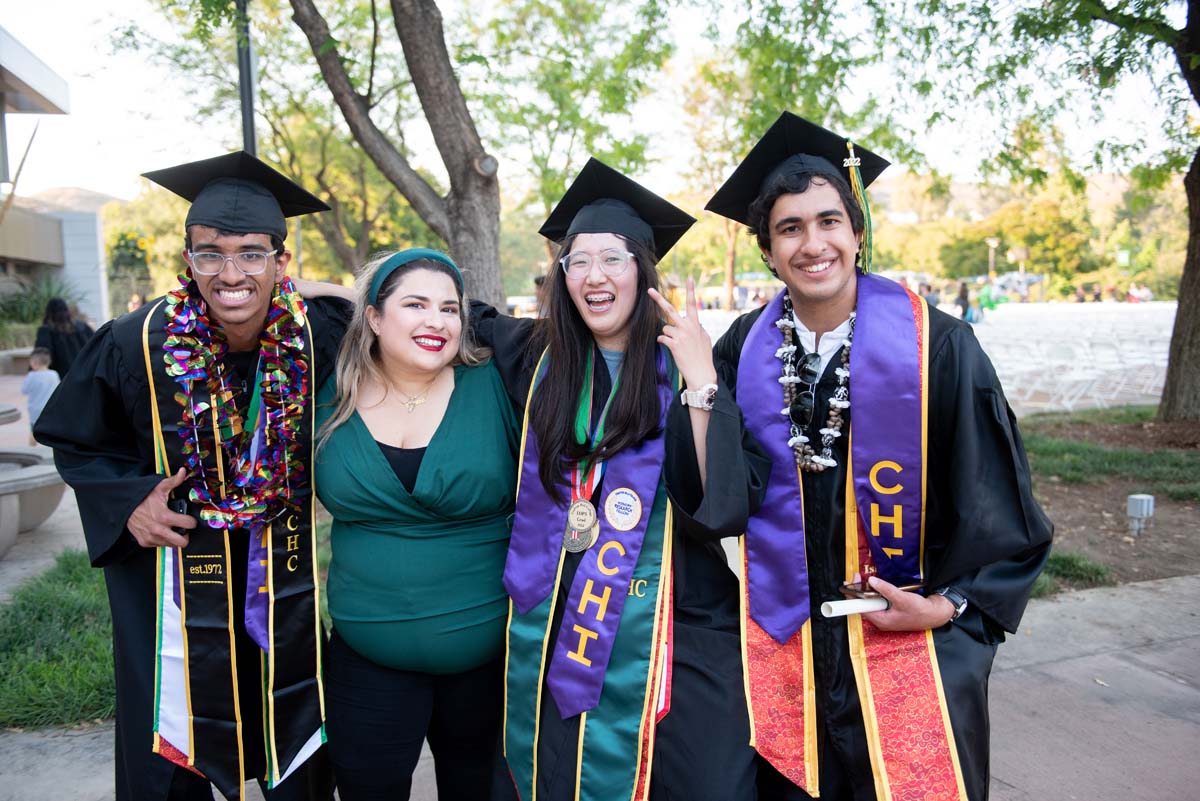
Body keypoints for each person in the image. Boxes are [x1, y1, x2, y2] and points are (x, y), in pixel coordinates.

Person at [696, 112, 1053, 801]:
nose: (812, 243)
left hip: (913, 651)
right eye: (789, 227)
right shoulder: (743, 349)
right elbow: (722, 495)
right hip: (787, 652)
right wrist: (698, 387)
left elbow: (998, 500)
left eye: (830, 220)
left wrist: (950, 608)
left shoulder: (938, 347)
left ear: (858, 234)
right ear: (769, 250)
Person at [34, 152, 347, 801]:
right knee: (171, 757)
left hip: (279, 584)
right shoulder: (133, 341)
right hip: (169, 593)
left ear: (281, 261)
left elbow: (412, 323)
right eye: (211, 253)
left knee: (295, 745)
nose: (230, 272)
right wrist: (127, 503)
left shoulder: (318, 336)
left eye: (252, 253)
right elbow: (72, 436)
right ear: (188, 258)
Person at [471, 158, 760, 801]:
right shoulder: (534, 354)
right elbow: (431, 315)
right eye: (578, 261)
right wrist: (339, 295)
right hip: (553, 616)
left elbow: (719, 507)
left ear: (642, 271)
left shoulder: (687, 363)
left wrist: (700, 384)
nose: (594, 276)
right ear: (562, 276)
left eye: (613, 259)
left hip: (677, 617)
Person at [312, 247, 519, 800]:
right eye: (415, 304)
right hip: (366, 659)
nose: (437, 321)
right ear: (374, 318)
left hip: (489, 661)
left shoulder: (499, 382)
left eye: (450, 309)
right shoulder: (329, 392)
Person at [35, 297, 94, 377]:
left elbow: (41, 355)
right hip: (85, 374)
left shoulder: (46, 331)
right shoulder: (82, 327)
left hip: (61, 379)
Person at [21, 347, 59, 444]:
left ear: (34, 363)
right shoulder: (54, 374)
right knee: (51, 431)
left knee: (34, 431)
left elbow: (24, 390)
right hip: (50, 408)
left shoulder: (31, 376)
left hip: (35, 410)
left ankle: (33, 449)